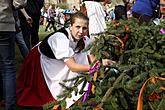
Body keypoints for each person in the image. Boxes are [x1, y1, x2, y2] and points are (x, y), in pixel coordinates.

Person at [16, 12, 96, 109]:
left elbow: (93, 60)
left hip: (61, 59)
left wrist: (101, 63)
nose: (80, 31)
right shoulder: (59, 39)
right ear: (71, 26)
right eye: (77, 27)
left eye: (84, 28)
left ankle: (81, 91)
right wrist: (95, 67)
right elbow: (73, 66)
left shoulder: (85, 39)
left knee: (82, 55)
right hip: (42, 60)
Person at [0, 0, 26, 109]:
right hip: (4, 22)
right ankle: (9, 105)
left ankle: (5, 99)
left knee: (6, 67)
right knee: (8, 67)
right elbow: (19, 2)